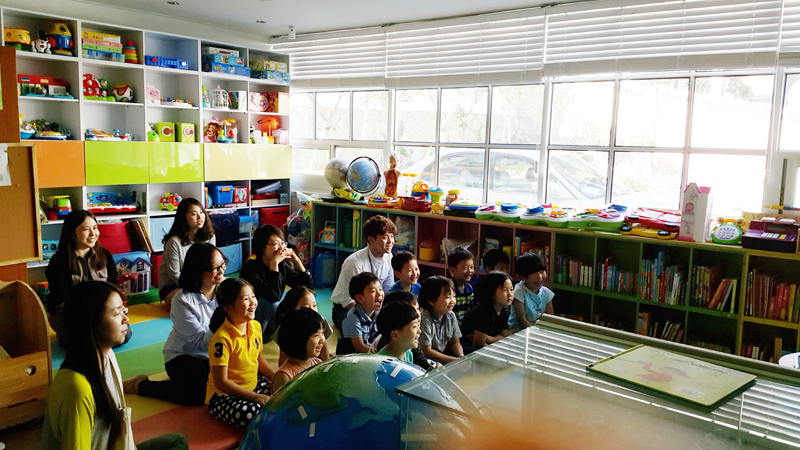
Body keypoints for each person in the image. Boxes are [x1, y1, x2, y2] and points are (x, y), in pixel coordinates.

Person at [41, 281, 188, 450]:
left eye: (123, 311)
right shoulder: (76, 388)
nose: (126, 319)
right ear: (92, 321)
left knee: (177, 442)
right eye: (117, 313)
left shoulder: (107, 355)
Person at [124, 243, 225, 406]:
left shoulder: (225, 290)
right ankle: (142, 385)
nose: (222, 270)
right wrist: (220, 319)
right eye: (215, 268)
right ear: (199, 271)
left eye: (223, 264)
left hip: (219, 352)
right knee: (198, 394)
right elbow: (200, 343)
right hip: (185, 355)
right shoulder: (183, 301)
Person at [45, 210, 127, 346]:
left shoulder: (105, 256)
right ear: (72, 234)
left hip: (101, 312)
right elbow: (61, 298)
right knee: (89, 339)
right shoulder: (59, 261)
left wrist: (117, 308)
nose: (93, 234)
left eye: (95, 228)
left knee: (123, 335)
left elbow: (113, 289)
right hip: (69, 314)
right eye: (86, 229)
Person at [206, 278, 276, 427]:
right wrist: (255, 397)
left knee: (282, 393)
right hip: (223, 396)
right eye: (246, 299)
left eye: (253, 296)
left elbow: (259, 361)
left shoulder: (255, 326)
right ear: (228, 308)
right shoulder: (222, 340)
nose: (253, 302)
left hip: (252, 385)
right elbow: (221, 382)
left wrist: (276, 377)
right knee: (254, 414)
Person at [240, 225, 312, 335]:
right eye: (275, 244)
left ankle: (306, 333)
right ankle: (289, 342)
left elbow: (307, 288)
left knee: (304, 296)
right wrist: (274, 264)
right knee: (267, 302)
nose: (281, 248)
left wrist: (297, 261)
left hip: (271, 326)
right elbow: (273, 296)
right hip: (250, 328)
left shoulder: (282, 265)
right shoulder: (250, 269)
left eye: (282, 243)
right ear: (262, 247)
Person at [330, 216, 396, 330]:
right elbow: (347, 301)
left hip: (374, 307)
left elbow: (388, 291)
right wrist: (373, 313)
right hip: (346, 309)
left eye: (392, 236)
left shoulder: (389, 257)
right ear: (371, 239)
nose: (391, 241)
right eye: (385, 237)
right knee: (365, 327)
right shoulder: (354, 262)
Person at [158, 198, 216, 307]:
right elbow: (175, 274)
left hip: (202, 283)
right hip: (174, 285)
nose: (200, 217)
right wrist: (197, 288)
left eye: (201, 212)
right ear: (183, 217)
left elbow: (213, 264)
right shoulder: (174, 242)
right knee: (189, 299)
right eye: (194, 214)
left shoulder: (209, 237)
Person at [380, 291, 441, 370]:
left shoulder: (408, 352)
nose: (418, 315)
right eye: (412, 310)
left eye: (417, 309)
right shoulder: (384, 359)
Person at [272, 286, 333, 364]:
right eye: (306, 308)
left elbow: (324, 349)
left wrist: (326, 367)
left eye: (314, 305)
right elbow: (283, 359)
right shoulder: (286, 327)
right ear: (293, 311)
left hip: (314, 361)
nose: (313, 310)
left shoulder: (320, 321)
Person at [271, 307, 326, 394]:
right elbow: (280, 406)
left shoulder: (318, 363)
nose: (322, 340)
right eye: (316, 335)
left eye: (322, 333)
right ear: (299, 339)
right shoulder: (284, 376)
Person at [461, 272, 513, 353]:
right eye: (505, 290)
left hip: (487, 344)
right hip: (468, 347)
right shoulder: (483, 311)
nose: (510, 294)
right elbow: (478, 343)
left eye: (511, 289)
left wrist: (488, 338)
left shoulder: (503, 310)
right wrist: (491, 340)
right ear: (491, 293)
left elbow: (503, 336)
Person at [418, 276, 464, 364]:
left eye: (453, 296)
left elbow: (455, 342)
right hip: (429, 357)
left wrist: (461, 358)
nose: (453, 301)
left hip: (443, 353)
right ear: (431, 300)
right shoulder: (425, 318)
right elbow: (427, 351)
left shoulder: (451, 315)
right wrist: (453, 361)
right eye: (447, 297)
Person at [337, 272, 383, 355]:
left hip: (369, 354)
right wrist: (379, 355)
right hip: (351, 358)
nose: (379, 294)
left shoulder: (378, 312)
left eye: (380, 289)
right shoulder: (352, 317)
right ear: (359, 298)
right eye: (373, 291)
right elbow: (359, 346)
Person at [509, 254, 554, 332]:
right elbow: (522, 321)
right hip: (519, 332)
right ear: (523, 276)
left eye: (542, 271)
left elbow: (550, 318)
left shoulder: (546, 292)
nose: (540, 277)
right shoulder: (519, 292)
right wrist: (538, 333)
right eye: (535, 273)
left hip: (538, 331)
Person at [447, 248, 475, 322]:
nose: (470, 271)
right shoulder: (448, 289)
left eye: (472, 267)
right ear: (453, 270)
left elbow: (470, 310)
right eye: (465, 268)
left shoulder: (469, 288)